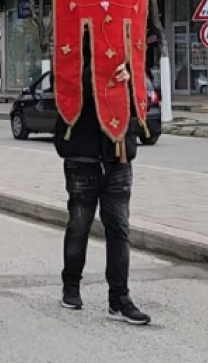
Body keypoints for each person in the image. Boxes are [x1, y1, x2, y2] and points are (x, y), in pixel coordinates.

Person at [54, 34, 150, 325]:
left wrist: (129, 80)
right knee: (79, 224)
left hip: (118, 157)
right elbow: (67, 100)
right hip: (84, 158)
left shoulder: (128, 56)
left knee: (119, 229)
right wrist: (101, 74)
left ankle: (119, 299)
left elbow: (140, 104)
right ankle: (71, 285)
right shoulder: (71, 56)